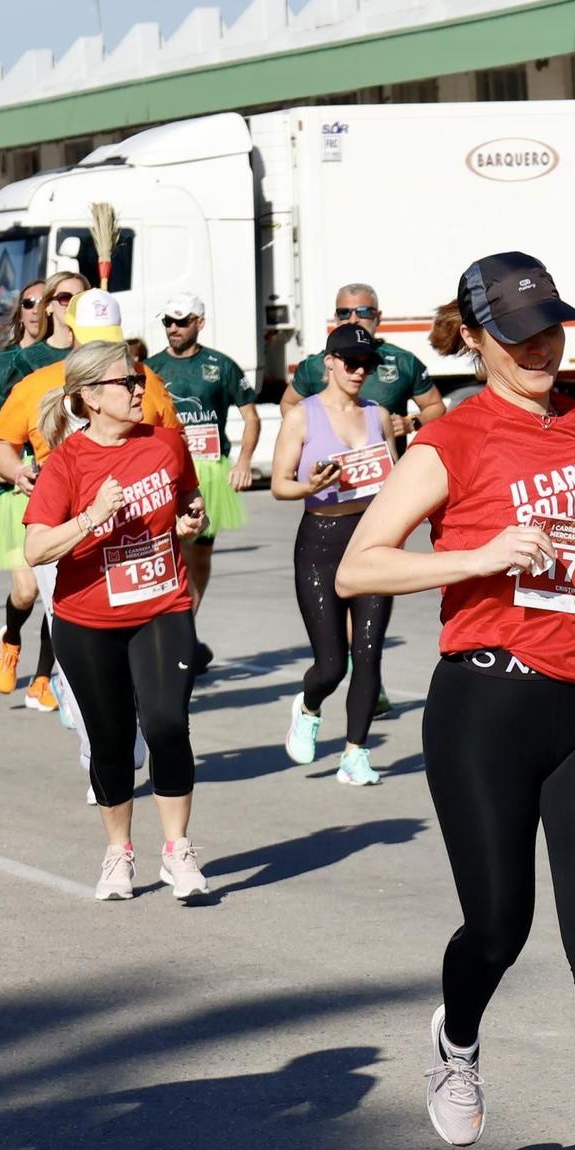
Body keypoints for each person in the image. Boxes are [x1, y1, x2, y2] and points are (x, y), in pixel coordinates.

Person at [336, 252, 575, 1150]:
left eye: (552, 324)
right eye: (522, 329)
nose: (541, 343)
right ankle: (455, 1036)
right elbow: (362, 565)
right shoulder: (449, 439)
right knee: (499, 924)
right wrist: (479, 553)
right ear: (478, 335)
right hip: (485, 706)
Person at [22, 341, 212, 903]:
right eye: (125, 383)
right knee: (110, 742)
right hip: (87, 621)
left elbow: (189, 503)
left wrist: (191, 521)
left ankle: (178, 850)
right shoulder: (66, 464)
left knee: (165, 724)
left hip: (162, 607)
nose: (138, 390)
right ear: (89, 398)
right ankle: (118, 852)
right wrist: (91, 517)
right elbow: (35, 550)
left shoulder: (167, 444)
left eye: (138, 380)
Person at [0, 291, 184, 781]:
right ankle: (95, 744)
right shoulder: (39, 384)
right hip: (63, 535)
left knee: (142, 666)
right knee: (74, 642)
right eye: (93, 340)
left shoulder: (145, 383)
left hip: (134, 544)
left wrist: (181, 510)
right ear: (71, 335)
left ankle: (123, 729)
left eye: (111, 341)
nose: (104, 351)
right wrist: (19, 473)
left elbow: (171, 447)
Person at [271, 323, 395, 785]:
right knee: (331, 663)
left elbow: (395, 475)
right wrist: (311, 486)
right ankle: (308, 706)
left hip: (372, 540)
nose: (359, 371)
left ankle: (355, 754)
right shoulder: (302, 416)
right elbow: (282, 483)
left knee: (369, 653)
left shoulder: (378, 415)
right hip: (321, 542)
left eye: (367, 364)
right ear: (329, 361)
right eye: (350, 362)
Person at [0, 273, 80, 714]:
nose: (73, 304)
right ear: (52, 306)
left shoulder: (98, 361)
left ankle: (42, 677)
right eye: (66, 297)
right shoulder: (11, 364)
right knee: (28, 590)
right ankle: (11, 638)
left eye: (83, 296)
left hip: (77, 494)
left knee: (62, 594)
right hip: (20, 491)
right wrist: (1, 464)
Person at [149, 290, 259, 668]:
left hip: (209, 473)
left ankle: (185, 628)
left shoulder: (221, 366)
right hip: (165, 473)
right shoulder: (149, 368)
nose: (173, 328)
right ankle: (169, 633)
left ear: (200, 322)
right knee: (169, 553)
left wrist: (242, 462)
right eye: (168, 322)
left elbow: (251, 418)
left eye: (181, 321)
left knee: (200, 557)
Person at [288, 283, 446, 441]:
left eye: (363, 312)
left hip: (388, 463)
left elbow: (435, 406)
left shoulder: (403, 361)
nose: (353, 319)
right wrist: (310, 438)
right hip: (333, 463)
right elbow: (288, 404)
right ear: (336, 318)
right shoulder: (313, 365)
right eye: (344, 313)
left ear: (378, 317)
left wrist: (411, 423)